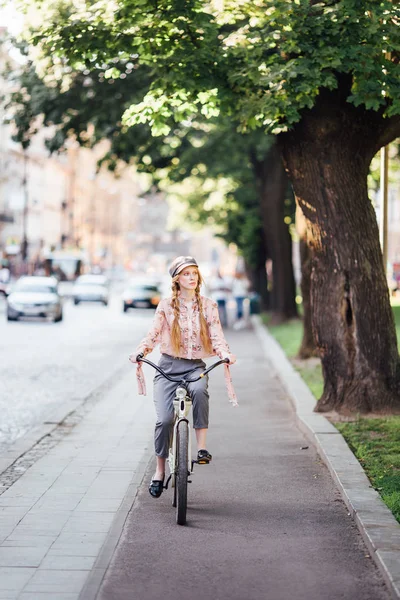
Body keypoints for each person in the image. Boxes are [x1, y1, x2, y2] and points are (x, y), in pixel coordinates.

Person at [129, 256, 237, 499]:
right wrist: (140, 351)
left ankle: (201, 448)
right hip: (167, 368)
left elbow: (217, 335)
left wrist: (226, 353)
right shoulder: (166, 305)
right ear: (177, 279)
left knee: (199, 390)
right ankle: (158, 472)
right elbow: (153, 334)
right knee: (165, 420)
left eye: (194, 273)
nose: (191, 277)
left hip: (194, 367)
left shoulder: (208, 305)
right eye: (186, 274)